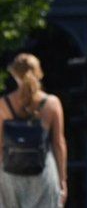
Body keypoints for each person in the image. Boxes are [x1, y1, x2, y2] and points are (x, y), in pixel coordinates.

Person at [0, 53, 68, 207]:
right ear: (39, 72)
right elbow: (58, 143)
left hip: (10, 172)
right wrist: (62, 178)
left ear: (14, 73)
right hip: (42, 170)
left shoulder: (3, 104)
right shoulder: (52, 103)